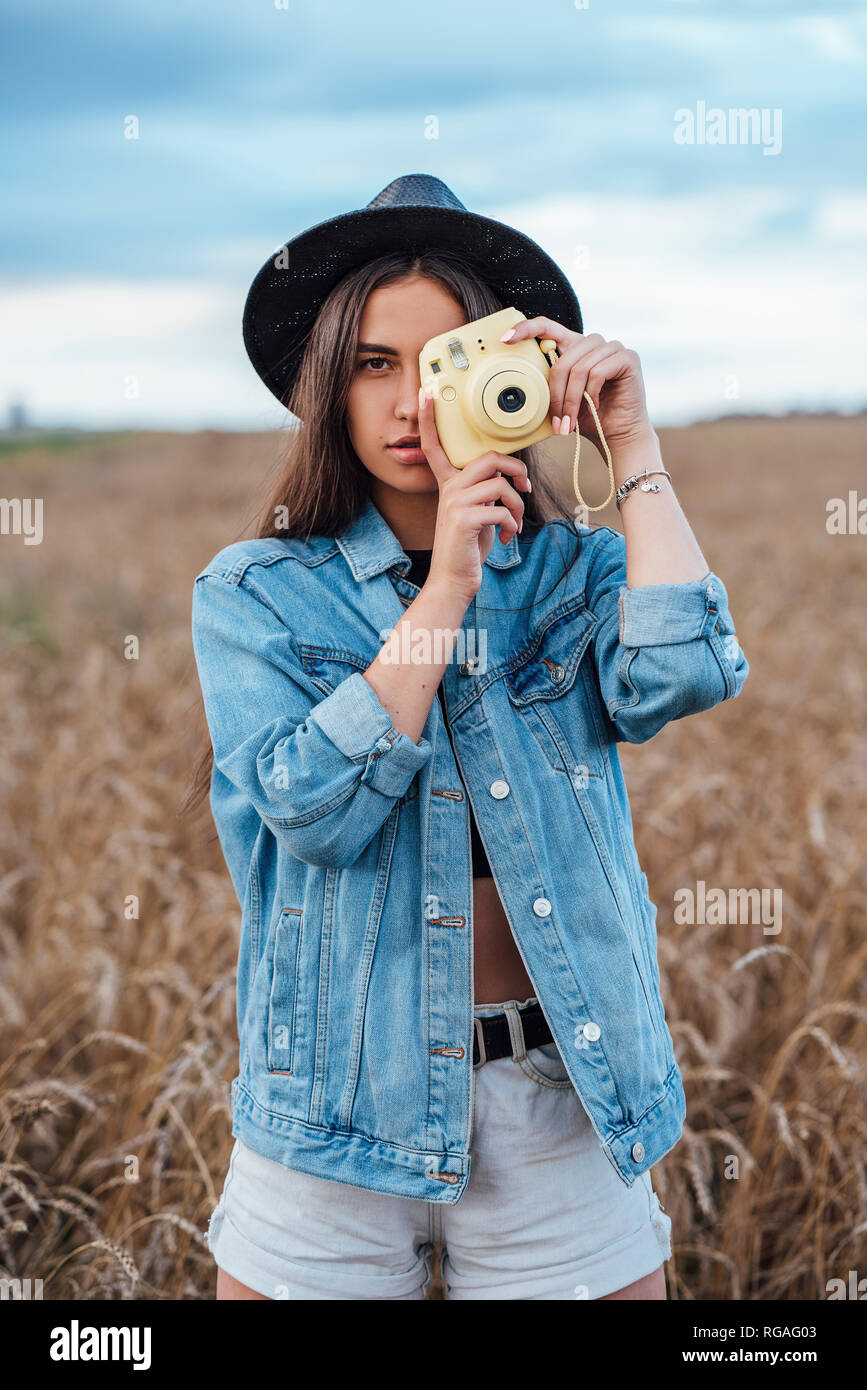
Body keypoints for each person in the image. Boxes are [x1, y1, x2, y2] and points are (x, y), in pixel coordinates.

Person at [186, 174, 749, 1300]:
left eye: (443, 362)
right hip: (334, 1106)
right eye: (373, 364)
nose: (407, 405)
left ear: (514, 379)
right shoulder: (256, 594)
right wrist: (445, 581)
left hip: (557, 1090)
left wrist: (630, 444)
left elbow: (683, 671)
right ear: (328, 389)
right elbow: (312, 809)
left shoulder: (573, 572)